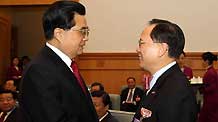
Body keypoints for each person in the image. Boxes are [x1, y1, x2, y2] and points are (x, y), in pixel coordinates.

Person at [19, 1, 98, 122]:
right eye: (82, 31)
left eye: (87, 32)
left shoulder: (66, 65)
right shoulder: (39, 71)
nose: (86, 38)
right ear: (59, 34)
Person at [133, 19, 197, 122]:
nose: (137, 49)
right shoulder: (164, 82)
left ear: (161, 49)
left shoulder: (176, 90)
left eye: (141, 43)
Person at [198, 52, 218, 122]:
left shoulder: (210, 72)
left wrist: (201, 89)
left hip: (211, 100)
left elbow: (211, 87)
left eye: (203, 60)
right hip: (211, 99)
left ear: (206, 61)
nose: (202, 62)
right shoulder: (211, 71)